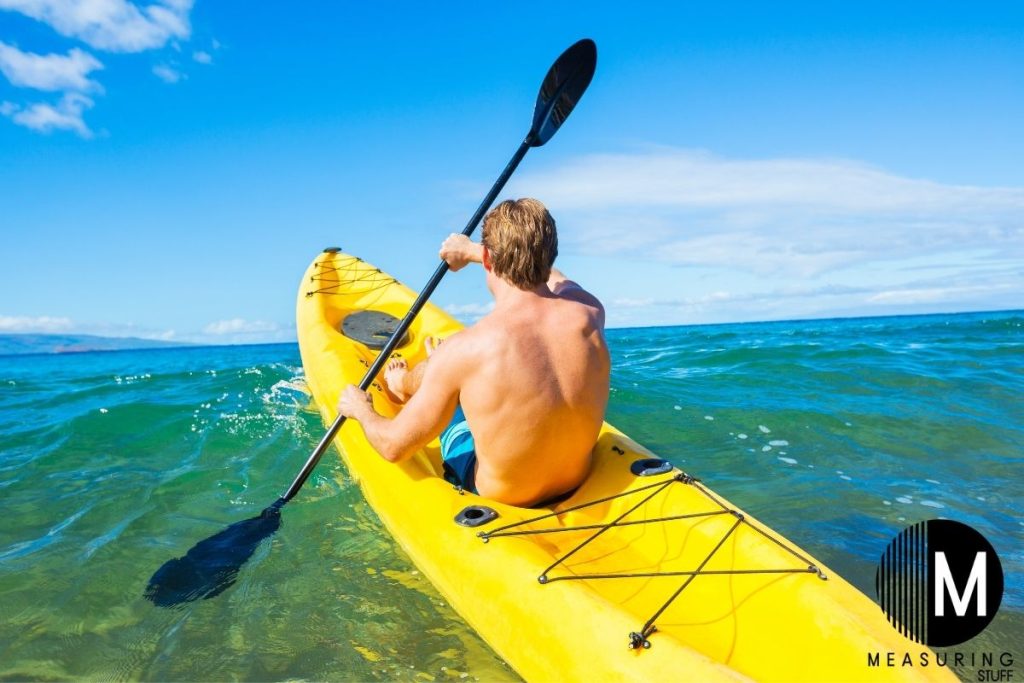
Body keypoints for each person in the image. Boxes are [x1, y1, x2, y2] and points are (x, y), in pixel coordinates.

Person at [337, 198, 609, 507]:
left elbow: (392, 447)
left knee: (452, 382)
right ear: (550, 254)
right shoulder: (588, 309)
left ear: (488, 260)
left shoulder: (469, 347)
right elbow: (555, 277)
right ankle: (424, 375)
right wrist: (473, 251)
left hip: (504, 496)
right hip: (575, 480)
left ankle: (405, 383)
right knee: (456, 370)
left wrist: (361, 409)